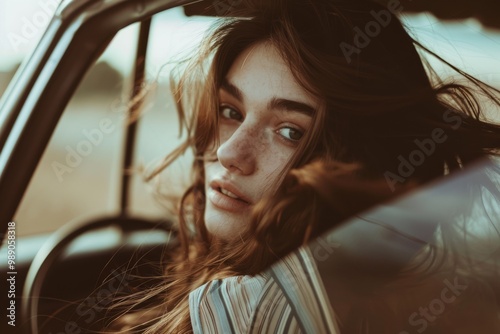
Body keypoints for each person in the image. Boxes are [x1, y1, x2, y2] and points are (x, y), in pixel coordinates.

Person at [106, 0, 500, 333]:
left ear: (359, 161)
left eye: (290, 132)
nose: (230, 152)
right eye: (231, 110)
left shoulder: (257, 309)